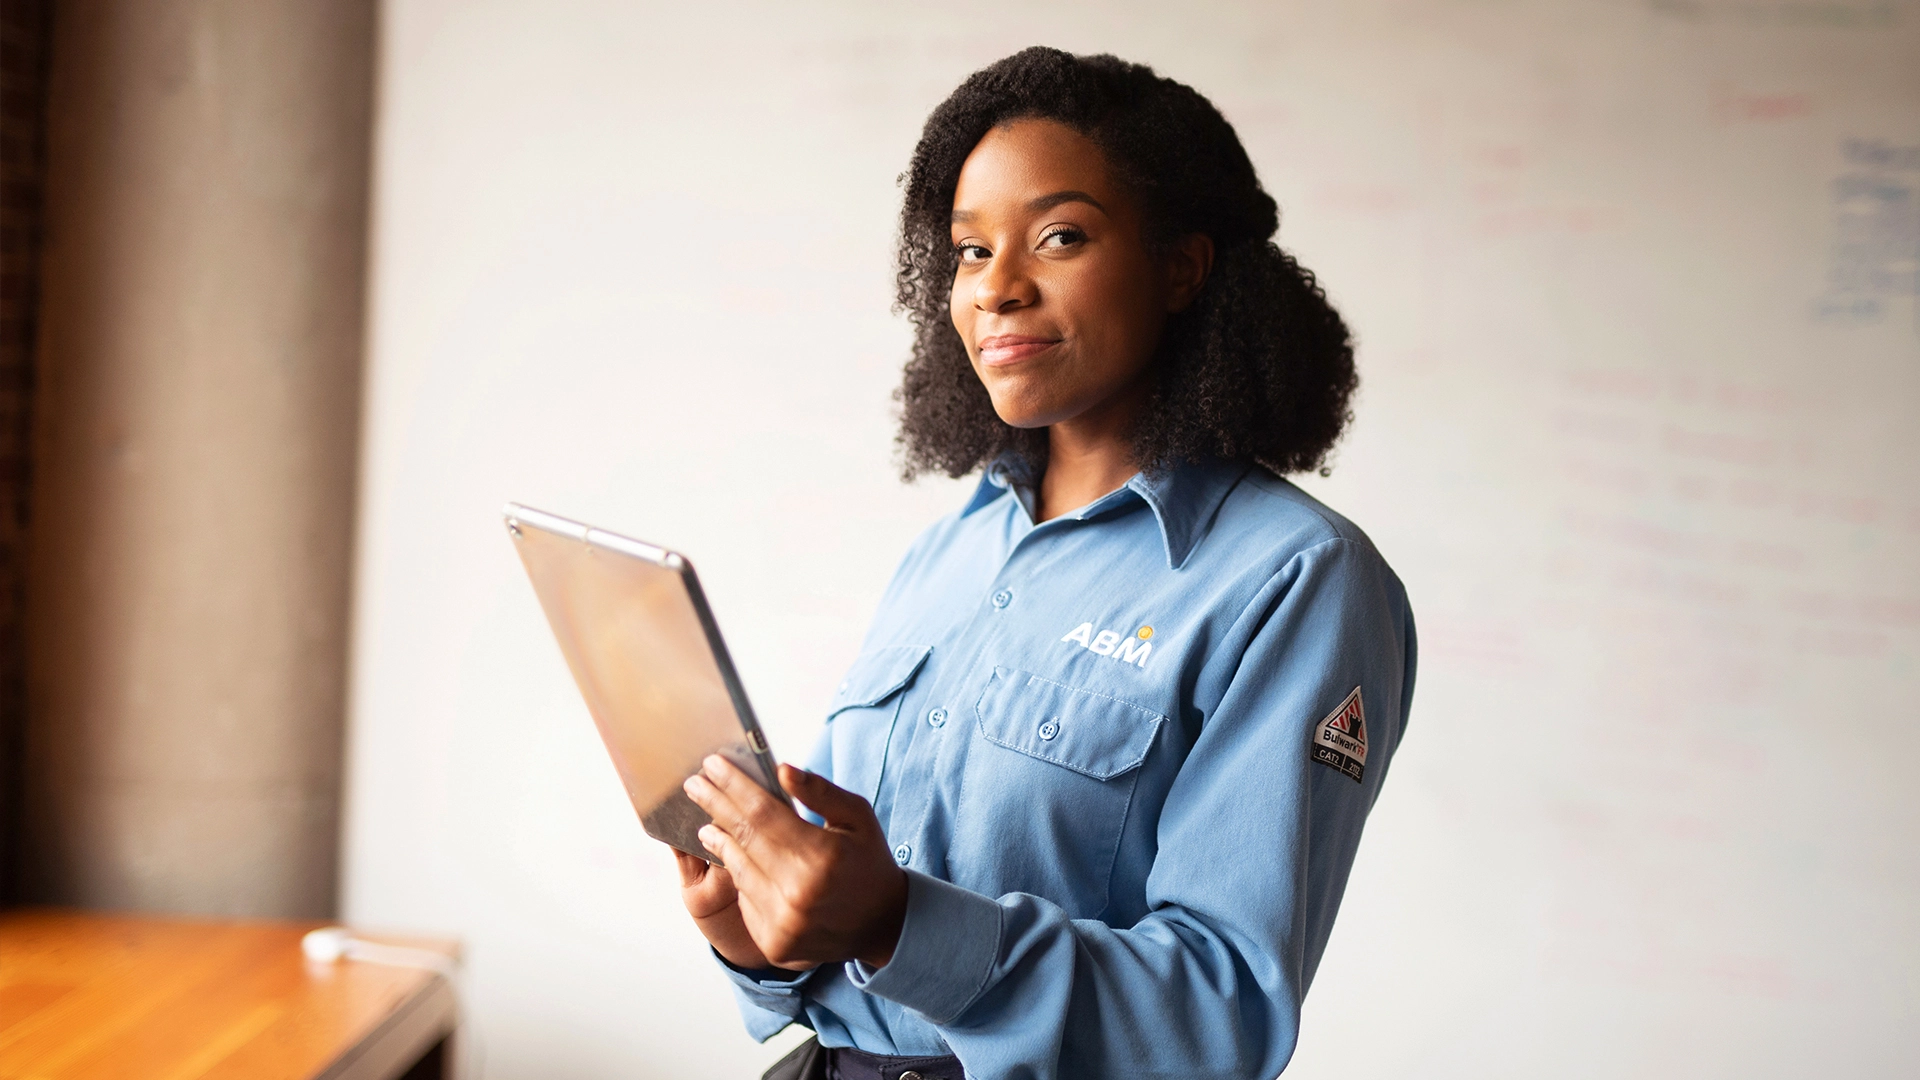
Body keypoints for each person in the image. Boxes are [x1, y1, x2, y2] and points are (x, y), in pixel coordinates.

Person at [676, 46, 1416, 1080]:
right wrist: (758, 935)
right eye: (971, 252)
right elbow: (840, 933)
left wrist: (899, 921)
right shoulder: (954, 547)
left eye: (1059, 236)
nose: (999, 290)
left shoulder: (1295, 581)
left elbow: (1224, 1016)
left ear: (1180, 267)